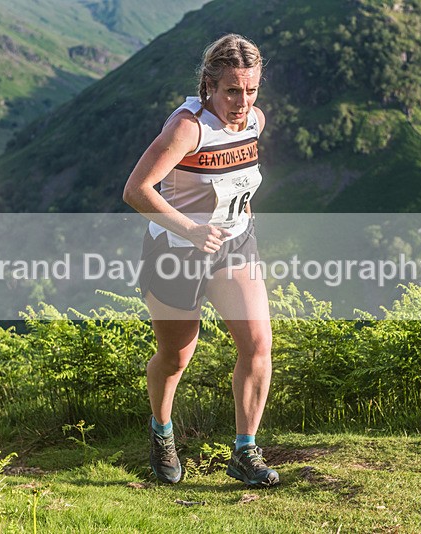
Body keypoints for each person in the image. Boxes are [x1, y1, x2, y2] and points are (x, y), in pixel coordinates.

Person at [123, 34, 278, 487]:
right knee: (176, 356)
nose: (242, 102)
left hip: (233, 246)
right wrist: (190, 229)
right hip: (175, 252)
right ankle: (162, 432)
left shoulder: (255, 121)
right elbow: (135, 191)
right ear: (209, 85)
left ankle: (245, 452)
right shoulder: (187, 129)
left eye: (250, 91)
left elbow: (237, 180)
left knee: (258, 345)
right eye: (232, 90)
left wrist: (241, 226)